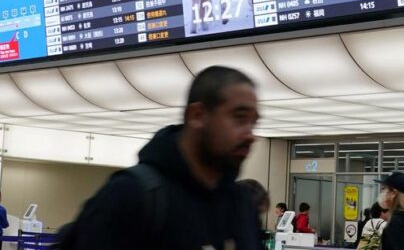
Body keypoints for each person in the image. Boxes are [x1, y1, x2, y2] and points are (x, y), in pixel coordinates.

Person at [68, 66, 262, 250]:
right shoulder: (130, 196)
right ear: (197, 115)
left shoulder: (242, 206)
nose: (249, 135)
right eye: (239, 118)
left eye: (253, 123)